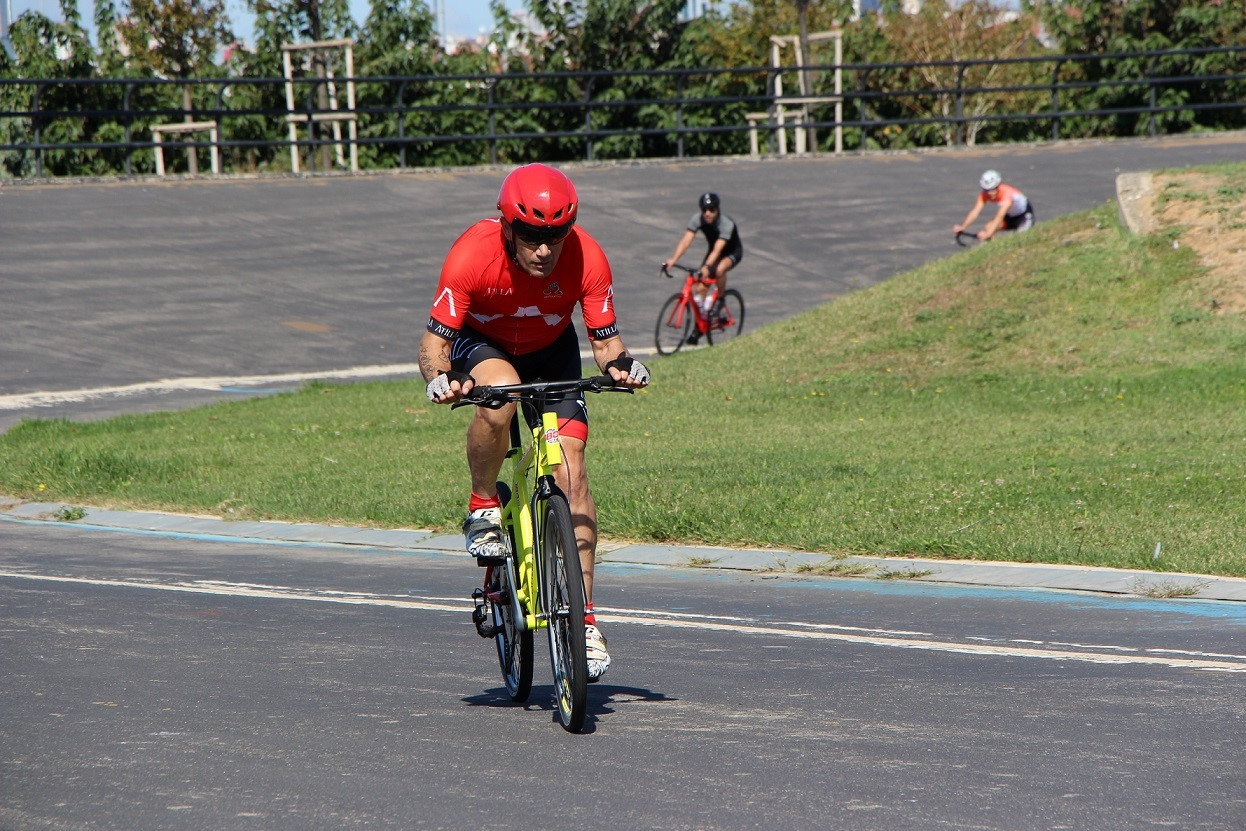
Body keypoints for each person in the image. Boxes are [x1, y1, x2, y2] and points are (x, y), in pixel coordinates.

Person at [420, 162, 650, 681]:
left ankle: (584, 621)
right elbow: (433, 344)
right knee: (497, 399)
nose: (544, 249)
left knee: (573, 470)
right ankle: (483, 503)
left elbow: (607, 343)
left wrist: (623, 367)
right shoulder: (471, 255)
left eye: (556, 235)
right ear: (507, 226)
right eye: (531, 235)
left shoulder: (588, 257)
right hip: (486, 346)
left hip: (552, 352)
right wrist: (440, 377)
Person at [662, 192, 743, 323]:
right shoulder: (697, 219)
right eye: (704, 210)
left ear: (718, 209)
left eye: (711, 210)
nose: (707, 213)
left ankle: (720, 300)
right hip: (714, 251)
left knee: (719, 270)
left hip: (731, 251)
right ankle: (702, 323)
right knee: (700, 287)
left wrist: (706, 267)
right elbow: (686, 241)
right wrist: (673, 260)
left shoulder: (726, 224)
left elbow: (718, 250)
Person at [953, 169, 1035, 241]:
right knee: (989, 227)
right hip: (1010, 216)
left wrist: (988, 234)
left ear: (998, 186)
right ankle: (996, 250)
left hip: (1023, 216)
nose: (989, 193)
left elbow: (1000, 216)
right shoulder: (985, 194)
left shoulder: (1007, 193)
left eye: (992, 189)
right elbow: (975, 212)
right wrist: (963, 227)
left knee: (1020, 240)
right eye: (986, 190)